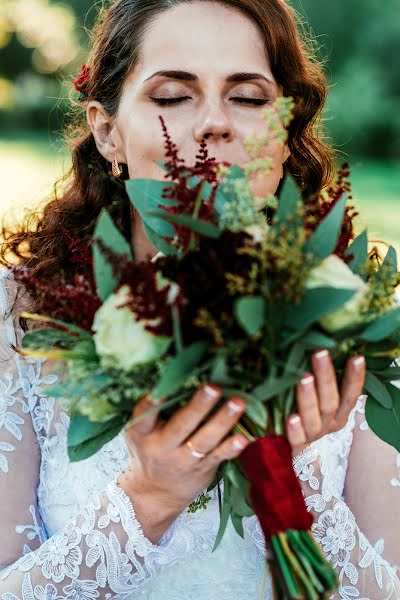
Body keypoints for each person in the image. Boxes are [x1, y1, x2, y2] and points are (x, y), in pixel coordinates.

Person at [0, 1, 399, 598]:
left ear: (285, 133)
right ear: (108, 130)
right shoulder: (18, 314)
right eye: (171, 97)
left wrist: (293, 486)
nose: (215, 123)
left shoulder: (352, 311)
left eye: (248, 97)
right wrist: (151, 496)